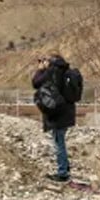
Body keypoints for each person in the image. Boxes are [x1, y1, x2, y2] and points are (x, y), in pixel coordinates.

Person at [32, 53, 77, 184]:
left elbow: (36, 83)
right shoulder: (65, 71)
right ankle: (65, 169)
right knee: (60, 140)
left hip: (57, 113)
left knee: (59, 143)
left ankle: (62, 173)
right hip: (67, 112)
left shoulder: (52, 71)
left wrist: (40, 70)